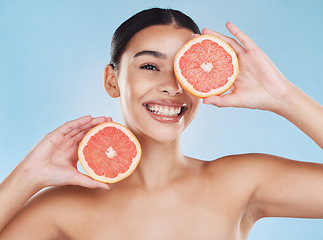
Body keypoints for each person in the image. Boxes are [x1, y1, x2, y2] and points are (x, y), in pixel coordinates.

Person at [0, 7, 323, 240]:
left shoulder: (242, 183)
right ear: (112, 80)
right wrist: (28, 175)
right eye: (150, 66)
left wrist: (283, 97)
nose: (173, 85)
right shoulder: (62, 208)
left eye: (186, 68)